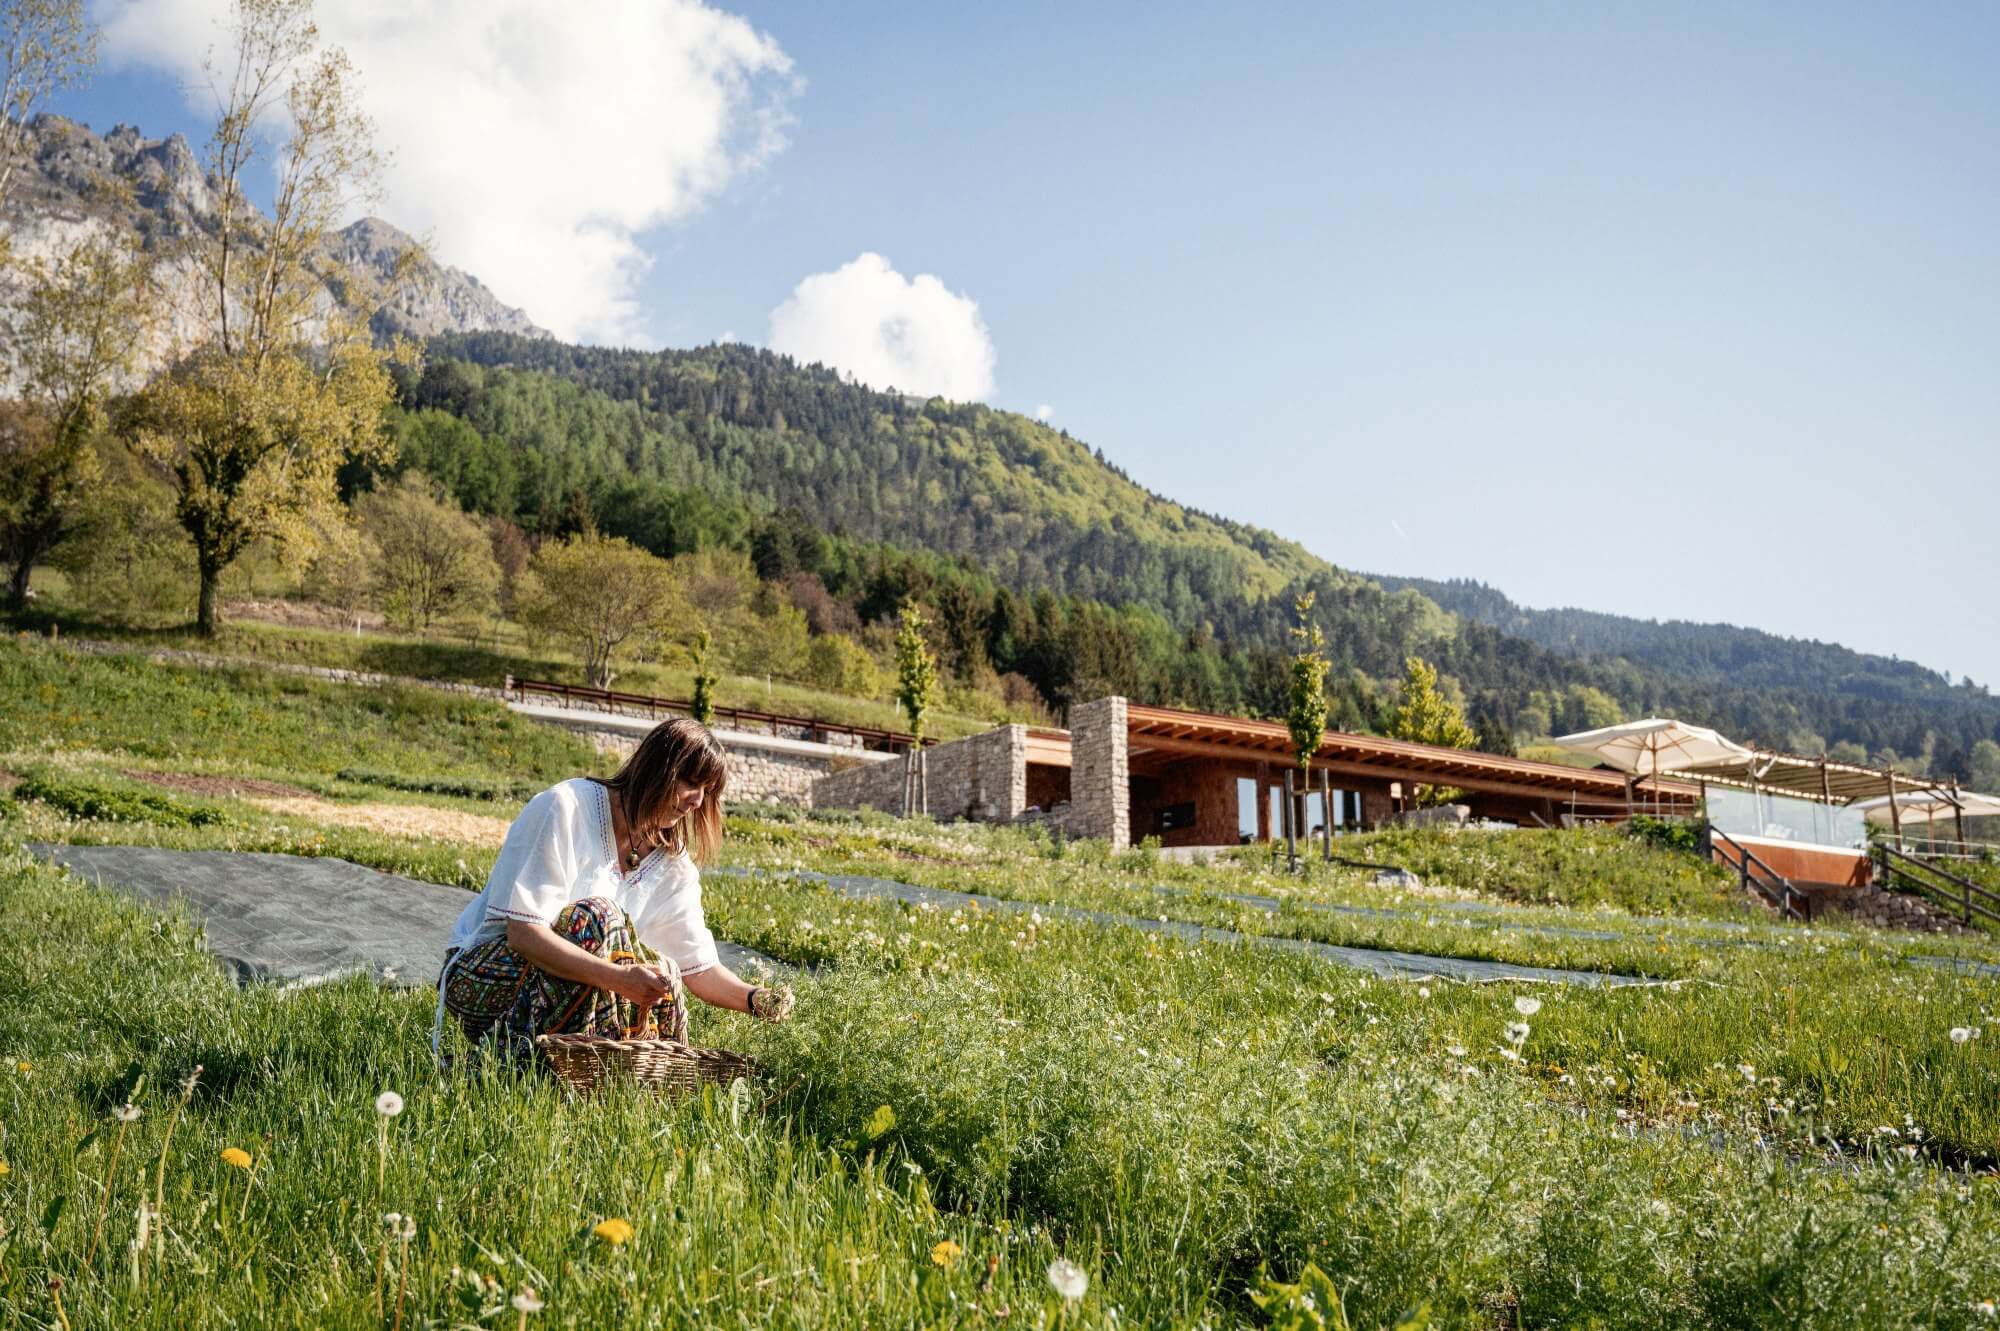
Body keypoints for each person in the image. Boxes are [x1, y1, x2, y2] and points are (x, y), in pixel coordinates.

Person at [435, 717, 792, 1062]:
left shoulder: (672, 865)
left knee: (662, 969)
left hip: (574, 990)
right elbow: (523, 935)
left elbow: (698, 969)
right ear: (655, 768)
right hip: (485, 978)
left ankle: (619, 1078)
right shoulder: (567, 807)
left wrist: (756, 999)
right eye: (689, 782)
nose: (697, 800)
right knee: (599, 917)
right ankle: (510, 1060)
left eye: (708, 791)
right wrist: (619, 979)